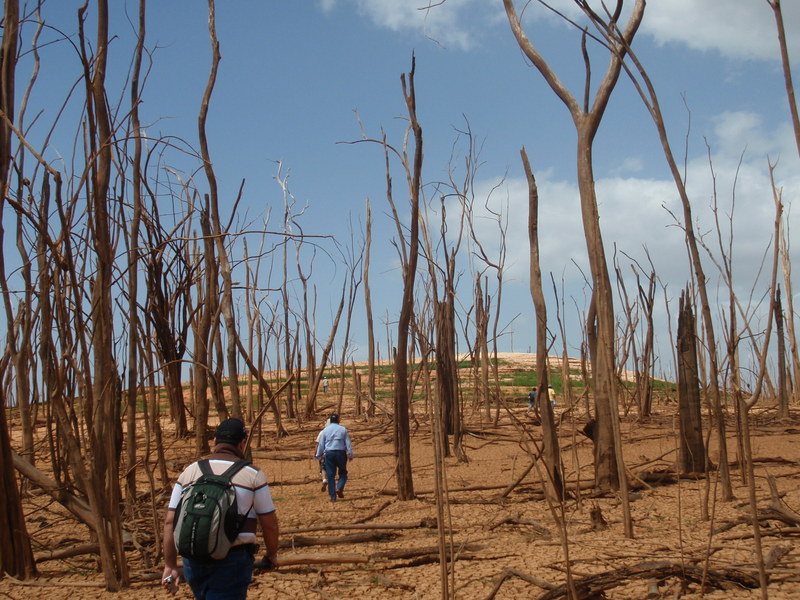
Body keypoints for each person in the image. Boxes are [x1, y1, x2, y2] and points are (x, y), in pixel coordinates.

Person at [161, 418, 279, 599]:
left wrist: (170, 565)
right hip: (233, 561)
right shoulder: (253, 475)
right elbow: (269, 523)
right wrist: (271, 554)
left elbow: (170, 521)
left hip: (193, 560)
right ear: (242, 444)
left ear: (215, 442)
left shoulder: (190, 471)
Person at [314, 413, 353, 502]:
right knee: (343, 473)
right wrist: (350, 454)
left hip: (329, 453)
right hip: (341, 453)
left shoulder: (325, 430)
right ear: (338, 420)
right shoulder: (343, 429)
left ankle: (332, 496)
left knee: (331, 475)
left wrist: (318, 455)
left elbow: (321, 444)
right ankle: (339, 487)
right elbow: (348, 443)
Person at [315, 417, 331, 492]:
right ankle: (331, 483)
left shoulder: (322, 432)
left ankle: (324, 479)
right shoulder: (336, 432)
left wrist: (316, 453)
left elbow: (318, 444)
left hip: (324, 453)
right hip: (333, 452)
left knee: (323, 467)